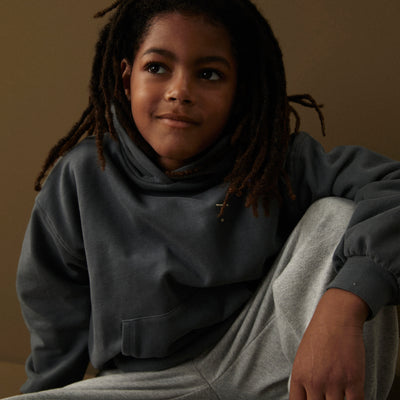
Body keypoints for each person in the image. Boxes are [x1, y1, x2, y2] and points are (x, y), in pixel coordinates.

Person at [10, 0, 400, 399]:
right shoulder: (81, 178)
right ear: (126, 79)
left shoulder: (274, 161)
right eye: (157, 67)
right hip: (145, 387)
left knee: (337, 216)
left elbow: (393, 188)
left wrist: (344, 305)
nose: (180, 92)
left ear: (238, 91)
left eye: (209, 74)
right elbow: (55, 317)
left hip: (269, 363)